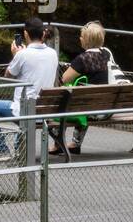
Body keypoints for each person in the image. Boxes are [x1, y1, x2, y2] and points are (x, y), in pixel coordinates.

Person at [0, 17, 58, 161]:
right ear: (43, 34)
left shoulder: (23, 54)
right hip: (45, 111)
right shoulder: (53, 53)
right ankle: (18, 147)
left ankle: (1, 149)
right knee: (21, 105)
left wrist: (15, 56)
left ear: (26, 34)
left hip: (24, 110)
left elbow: (8, 76)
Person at [49, 20, 118, 156]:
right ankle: (75, 143)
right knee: (83, 103)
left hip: (92, 111)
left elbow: (65, 78)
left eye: (81, 36)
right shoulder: (106, 54)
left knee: (64, 103)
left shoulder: (83, 59)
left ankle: (58, 144)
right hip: (109, 109)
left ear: (85, 40)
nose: (79, 38)